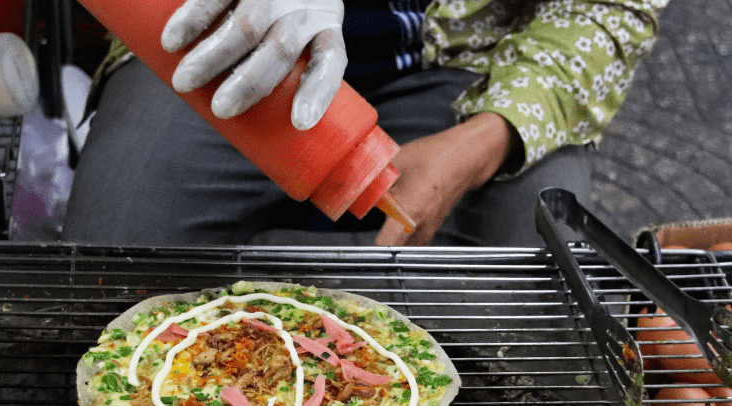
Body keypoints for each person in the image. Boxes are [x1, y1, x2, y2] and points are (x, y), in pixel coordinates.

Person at [62, 0, 669, 248]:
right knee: (112, 254)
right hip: (232, 34)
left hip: (467, 58)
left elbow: (611, 5)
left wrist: (489, 137)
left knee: (528, 279)